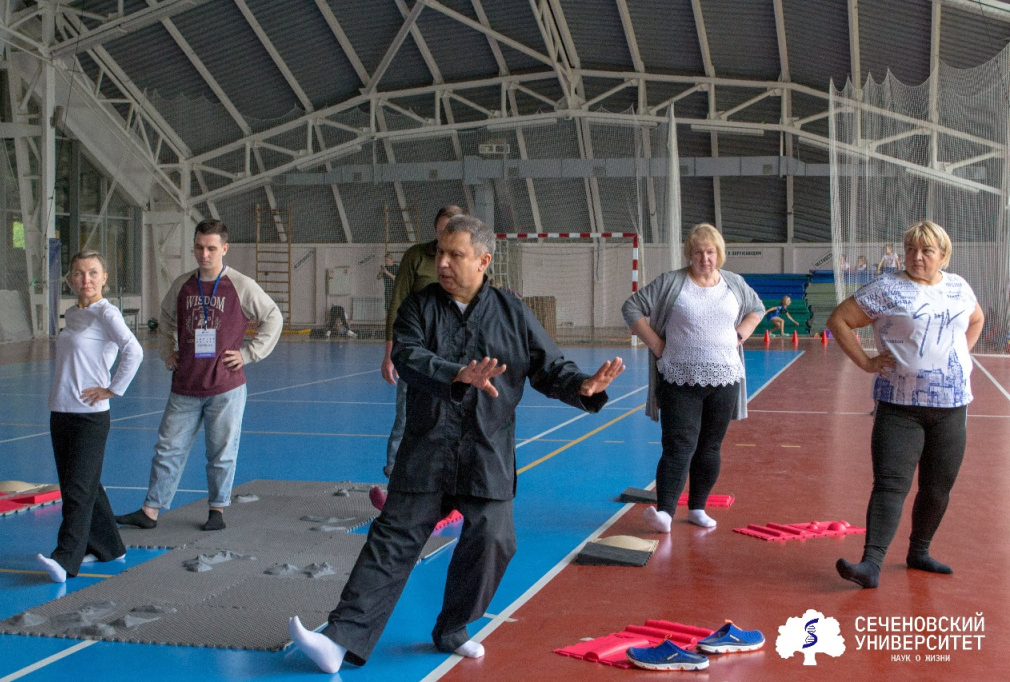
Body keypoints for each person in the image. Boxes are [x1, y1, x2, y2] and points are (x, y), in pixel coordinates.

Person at [288, 214, 624, 673]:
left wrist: (583, 386)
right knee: (392, 541)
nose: (442, 263)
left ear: (483, 261)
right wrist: (456, 373)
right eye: (440, 253)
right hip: (427, 448)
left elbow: (550, 368)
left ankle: (453, 627)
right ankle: (339, 640)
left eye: (455, 255)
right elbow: (408, 356)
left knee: (495, 539)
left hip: (486, 450)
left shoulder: (513, 313)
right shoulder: (418, 306)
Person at [828, 220, 983, 588]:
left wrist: (959, 356)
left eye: (926, 250)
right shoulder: (888, 288)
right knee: (890, 484)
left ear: (943, 255)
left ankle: (919, 552)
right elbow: (839, 320)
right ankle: (871, 564)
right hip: (899, 405)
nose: (917, 257)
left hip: (952, 405)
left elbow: (976, 319)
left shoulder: (959, 287)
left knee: (938, 487)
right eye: (911, 249)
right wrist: (867, 363)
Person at [115, 219, 282, 532]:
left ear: (224, 249)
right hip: (185, 385)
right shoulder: (182, 285)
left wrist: (249, 354)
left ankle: (217, 509)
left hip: (226, 387)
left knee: (221, 453)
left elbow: (273, 317)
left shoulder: (240, 285)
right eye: (199, 247)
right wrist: (168, 351)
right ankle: (150, 510)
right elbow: (166, 318)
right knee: (167, 449)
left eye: (211, 248)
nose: (204, 254)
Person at [622, 223, 764, 533]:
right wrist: (656, 344)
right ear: (689, 254)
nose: (704, 258)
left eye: (710, 252)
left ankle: (698, 507)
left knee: (710, 447)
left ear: (719, 254)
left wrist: (740, 334)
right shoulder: (671, 282)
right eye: (698, 252)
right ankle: (665, 513)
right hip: (679, 381)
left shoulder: (734, 283)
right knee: (678, 446)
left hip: (725, 380)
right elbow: (631, 307)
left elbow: (757, 309)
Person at [36, 251, 144, 583]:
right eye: (79, 273)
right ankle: (110, 547)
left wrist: (112, 389)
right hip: (61, 411)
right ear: (70, 279)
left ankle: (65, 559)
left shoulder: (106, 313)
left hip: (90, 416)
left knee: (77, 491)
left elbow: (134, 350)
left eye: (93, 273)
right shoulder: (73, 314)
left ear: (104, 278)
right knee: (84, 484)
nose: (86, 279)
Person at [380, 205, 463, 479]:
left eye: (451, 229)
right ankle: (395, 475)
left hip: (453, 354)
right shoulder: (416, 256)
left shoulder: (468, 261)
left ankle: (448, 477)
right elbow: (397, 302)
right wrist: (390, 352)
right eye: (441, 230)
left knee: (453, 416)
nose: (445, 235)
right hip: (415, 352)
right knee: (406, 415)